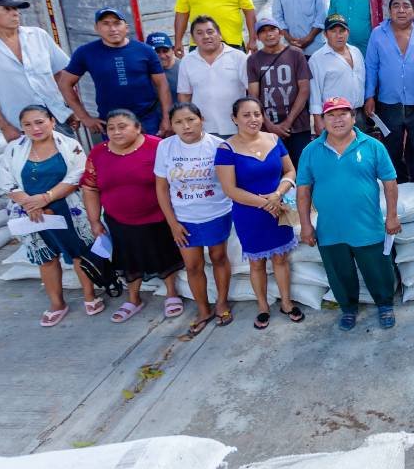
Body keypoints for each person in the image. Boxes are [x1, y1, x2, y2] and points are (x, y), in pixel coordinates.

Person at [296, 97, 401, 331]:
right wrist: (305, 225)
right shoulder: (311, 151)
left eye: (343, 114)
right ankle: (348, 309)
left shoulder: (373, 146)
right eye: (331, 115)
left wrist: (392, 216)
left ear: (353, 118)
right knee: (339, 274)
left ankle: (385, 305)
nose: (337, 120)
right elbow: (303, 191)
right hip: (330, 228)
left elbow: (390, 183)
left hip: (367, 226)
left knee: (378, 269)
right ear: (322, 121)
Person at [80, 110, 186, 324]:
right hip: (118, 219)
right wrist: (94, 221)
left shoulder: (158, 146)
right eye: (111, 128)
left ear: (138, 128)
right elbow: (90, 188)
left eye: (122, 126)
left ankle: (172, 294)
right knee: (127, 259)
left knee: (164, 256)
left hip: (158, 216)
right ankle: (133, 299)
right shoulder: (98, 153)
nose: (116, 132)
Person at [0, 104, 100, 327]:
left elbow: (77, 175)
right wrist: (30, 203)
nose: (35, 128)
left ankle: (90, 296)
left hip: (66, 208)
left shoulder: (70, 146)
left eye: (40, 122)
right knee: (46, 259)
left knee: (79, 254)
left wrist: (46, 198)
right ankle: (57, 303)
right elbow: (7, 181)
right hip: (31, 213)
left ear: (52, 122)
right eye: (28, 124)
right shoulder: (14, 149)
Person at [214, 97, 301, 329]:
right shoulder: (226, 149)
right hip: (249, 214)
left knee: (281, 259)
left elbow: (291, 170)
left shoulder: (274, 139)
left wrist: (277, 195)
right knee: (256, 263)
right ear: (234, 119)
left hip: (279, 207)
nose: (253, 119)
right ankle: (263, 307)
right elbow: (230, 189)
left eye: (257, 114)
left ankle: (286, 302)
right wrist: (265, 203)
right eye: (246, 115)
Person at [154, 102, 233, 332]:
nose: (186, 126)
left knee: (219, 257)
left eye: (190, 120)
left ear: (201, 120)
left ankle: (221, 302)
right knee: (193, 265)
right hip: (184, 217)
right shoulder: (165, 147)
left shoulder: (219, 146)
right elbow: (161, 188)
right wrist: (173, 223)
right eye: (178, 122)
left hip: (216, 212)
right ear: (171, 125)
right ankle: (203, 309)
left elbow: (230, 182)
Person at [0, 0, 76, 141]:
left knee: (72, 160)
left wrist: (74, 109)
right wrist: (4, 127)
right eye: (7, 9)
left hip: (58, 117)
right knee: (36, 162)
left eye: (16, 9)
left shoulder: (38, 35)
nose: (15, 13)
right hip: (22, 126)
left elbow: (62, 75)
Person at [59, 8, 172, 137]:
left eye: (117, 23)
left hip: (147, 120)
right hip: (111, 124)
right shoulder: (85, 53)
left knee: (153, 156)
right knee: (118, 157)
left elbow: (162, 85)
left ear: (126, 27)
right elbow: (65, 84)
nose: (112, 29)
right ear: (96, 28)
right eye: (106, 24)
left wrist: (166, 118)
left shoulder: (145, 50)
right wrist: (84, 117)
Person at [364, 0, 414, 182]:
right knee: (391, 146)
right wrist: (369, 96)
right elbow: (371, 66)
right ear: (389, 12)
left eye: (406, 6)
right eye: (396, 6)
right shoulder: (378, 34)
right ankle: (396, 184)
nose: (401, 10)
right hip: (388, 103)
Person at [247, 19, 312, 166]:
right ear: (257, 37)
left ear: (280, 32)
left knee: (302, 168)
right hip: (268, 127)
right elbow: (253, 97)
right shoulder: (253, 60)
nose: (268, 34)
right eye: (263, 31)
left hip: (298, 125)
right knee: (274, 170)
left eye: (272, 29)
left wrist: (288, 121)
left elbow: (304, 89)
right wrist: (269, 125)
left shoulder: (296, 54)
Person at [176, 16, 249, 137]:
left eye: (210, 32)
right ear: (193, 39)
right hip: (204, 131)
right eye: (199, 33)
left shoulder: (238, 57)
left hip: (237, 128)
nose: (205, 36)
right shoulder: (187, 61)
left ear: (219, 34)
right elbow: (184, 95)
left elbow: (251, 90)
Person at [309, 14, 366, 134]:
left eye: (342, 31)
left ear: (348, 32)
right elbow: (315, 92)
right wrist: (318, 120)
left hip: (358, 114)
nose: (338, 35)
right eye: (333, 31)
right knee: (338, 151)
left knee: (359, 150)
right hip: (335, 116)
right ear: (325, 34)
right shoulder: (317, 58)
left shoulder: (356, 52)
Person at [147, 32, 180, 105]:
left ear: (173, 50)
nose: (162, 56)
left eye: (165, 51)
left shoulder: (183, 68)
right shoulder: (143, 71)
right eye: (156, 52)